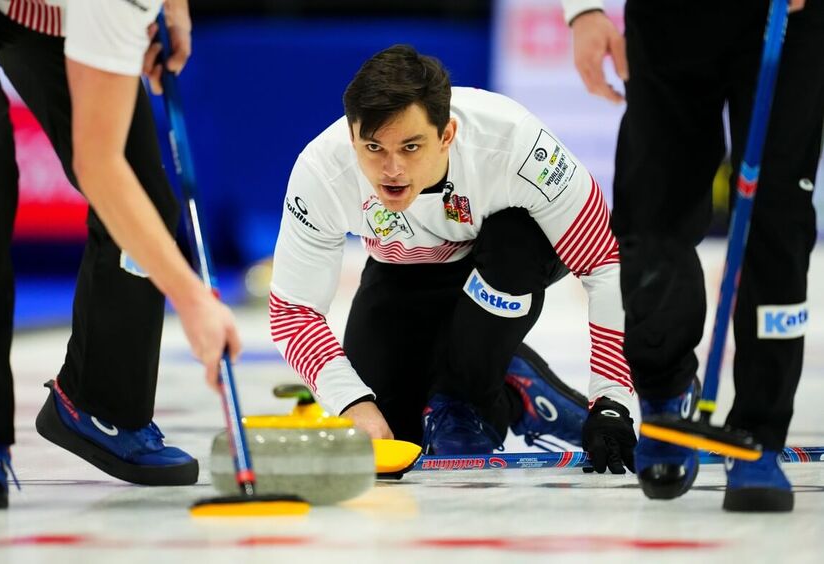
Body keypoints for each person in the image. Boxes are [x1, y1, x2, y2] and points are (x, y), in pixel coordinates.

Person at [0, 0, 239, 509]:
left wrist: (174, 6)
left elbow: (105, 161)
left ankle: (100, 405)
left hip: (58, 13)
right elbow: (98, 168)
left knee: (144, 193)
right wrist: (192, 298)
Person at [269, 44, 637, 470]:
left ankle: (468, 399)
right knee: (394, 436)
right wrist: (353, 404)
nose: (392, 170)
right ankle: (514, 388)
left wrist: (611, 401)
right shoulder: (321, 172)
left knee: (512, 246)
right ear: (352, 136)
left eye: (410, 147)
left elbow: (605, 264)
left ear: (447, 135)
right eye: (373, 148)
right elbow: (293, 312)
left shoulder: (514, 143)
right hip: (401, 268)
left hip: (505, 256)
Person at [563, 0, 823, 511]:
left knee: (778, 218)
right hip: (670, 20)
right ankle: (665, 397)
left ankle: (760, 432)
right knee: (654, 212)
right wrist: (585, 10)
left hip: (789, 17)